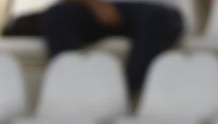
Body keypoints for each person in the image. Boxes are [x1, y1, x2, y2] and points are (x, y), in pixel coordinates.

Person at [37, 1, 186, 99]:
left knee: (157, 20)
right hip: (100, 8)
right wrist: (95, 5)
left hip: (156, 9)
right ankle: (75, 89)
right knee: (56, 17)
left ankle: (123, 92)